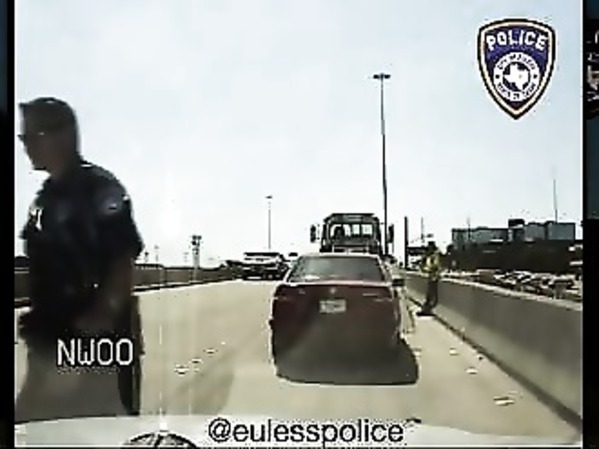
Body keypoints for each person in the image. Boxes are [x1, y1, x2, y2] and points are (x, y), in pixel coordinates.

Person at [15, 97, 144, 422]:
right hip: (52, 341)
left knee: (96, 432)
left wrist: (92, 327)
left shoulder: (98, 188)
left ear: (63, 136)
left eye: (31, 137)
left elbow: (122, 264)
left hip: (93, 348)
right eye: (23, 138)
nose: (25, 146)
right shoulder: (45, 198)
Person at [418, 241, 442, 316]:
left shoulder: (434, 256)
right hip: (432, 277)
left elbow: (435, 266)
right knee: (430, 295)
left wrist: (426, 268)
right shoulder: (431, 256)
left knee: (431, 295)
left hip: (434, 277)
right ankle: (427, 309)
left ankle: (427, 309)